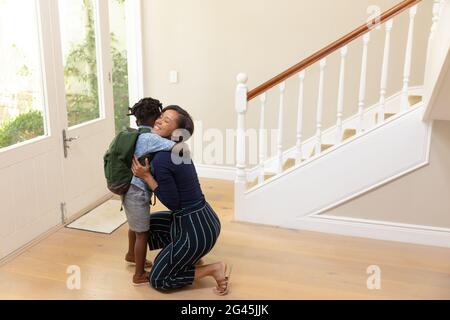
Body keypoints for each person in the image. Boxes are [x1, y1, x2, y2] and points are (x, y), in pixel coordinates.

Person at [131, 105, 231, 295]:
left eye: (166, 120)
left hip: (195, 229)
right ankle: (190, 256)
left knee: (158, 279)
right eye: (161, 116)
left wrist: (147, 178)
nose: (159, 120)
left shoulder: (162, 158)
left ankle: (213, 268)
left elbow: (173, 203)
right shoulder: (179, 149)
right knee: (143, 227)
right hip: (205, 220)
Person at [122, 98, 176, 285]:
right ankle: (138, 275)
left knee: (133, 225)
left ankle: (131, 255)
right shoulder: (151, 138)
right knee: (142, 234)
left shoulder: (135, 135)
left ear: (137, 120)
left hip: (127, 187)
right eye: (160, 117)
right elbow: (177, 148)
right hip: (138, 191)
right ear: (155, 118)